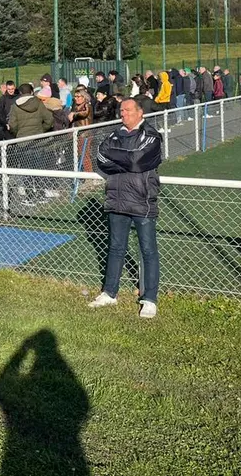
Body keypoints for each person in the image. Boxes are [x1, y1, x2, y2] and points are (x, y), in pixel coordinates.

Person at [89, 98, 163, 319]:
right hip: (116, 198)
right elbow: (100, 157)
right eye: (121, 111)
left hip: (142, 200)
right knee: (116, 248)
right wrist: (126, 160)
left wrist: (121, 158)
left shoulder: (151, 136)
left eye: (128, 110)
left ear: (140, 113)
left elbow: (137, 161)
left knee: (148, 251)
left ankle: (149, 299)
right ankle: (109, 293)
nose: (124, 114)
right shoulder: (114, 135)